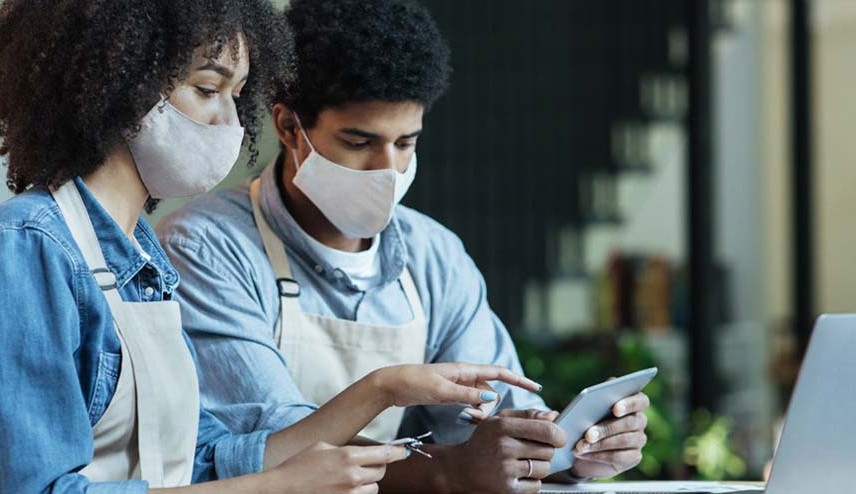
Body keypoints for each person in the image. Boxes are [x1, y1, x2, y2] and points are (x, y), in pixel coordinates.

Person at [0, 1, 540, 492]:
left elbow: (203, 457)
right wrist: (276, 488)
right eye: (207, 89)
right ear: (118, 85)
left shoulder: (142, 258)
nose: (231, 124)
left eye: (236, 94)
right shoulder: (25, 249)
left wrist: (384, 389)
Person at [157, 0, 651, 492]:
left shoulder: (433, 254)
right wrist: (449, 469)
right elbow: (274, 448)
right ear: (289, 128)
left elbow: (497, 418)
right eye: (358, 141)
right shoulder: (204, 248)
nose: (387, 169)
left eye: (405, 143)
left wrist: (568, 448)